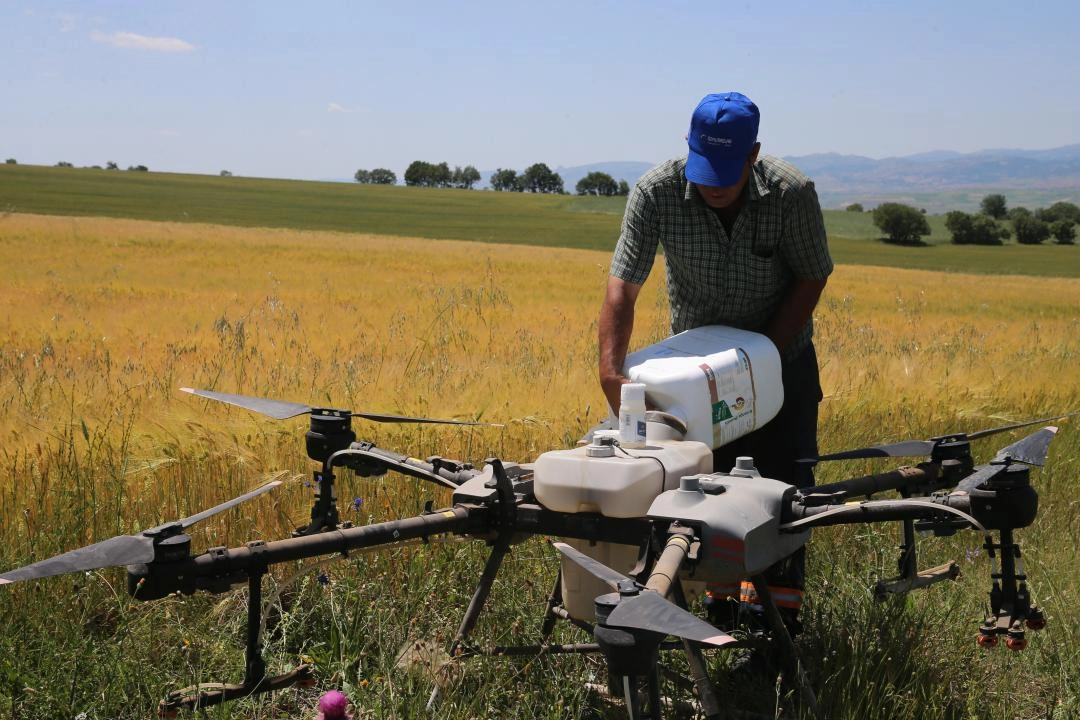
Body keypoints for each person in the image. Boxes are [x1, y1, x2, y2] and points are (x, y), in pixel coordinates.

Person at [597, 91, 832, 638]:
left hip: (781, 365)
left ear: (754, 155)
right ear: (688, 148)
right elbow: (621, 288)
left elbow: (812, 275)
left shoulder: (792, 193)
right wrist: (612, 375)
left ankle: (776, 630)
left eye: (726, 172)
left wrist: (760, 358)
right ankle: (720, 614)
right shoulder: (657, 191)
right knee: (705, 488)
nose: (713, 185)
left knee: (782, 494)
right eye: (704, 170)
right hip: (696, 378)